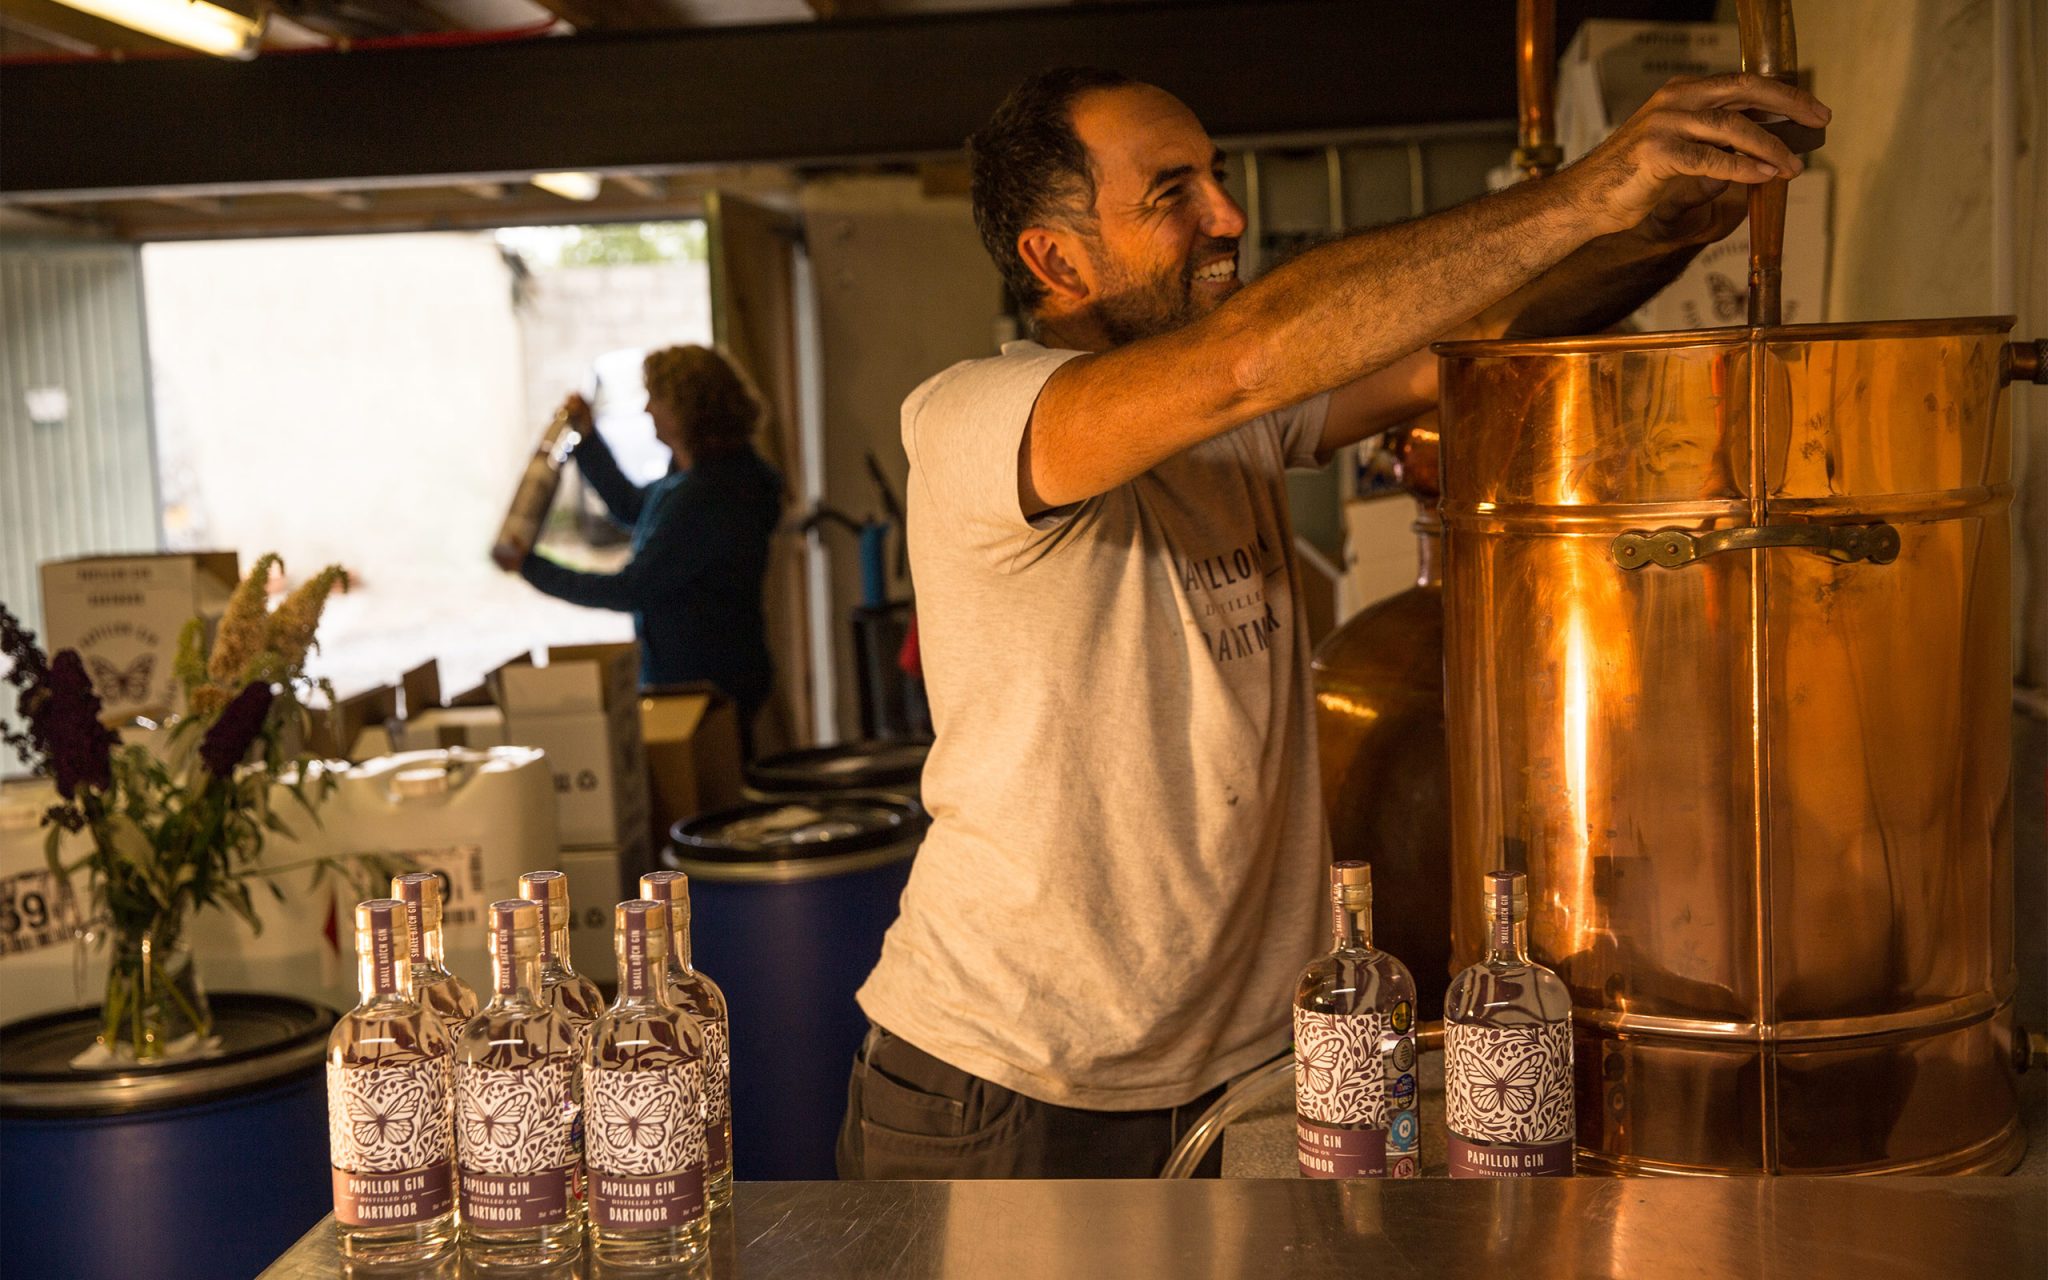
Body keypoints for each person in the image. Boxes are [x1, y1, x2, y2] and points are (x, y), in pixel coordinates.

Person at [838, 67, 1829, 1179]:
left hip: (1246, 1063)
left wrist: (1663, 230)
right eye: (1173, 192)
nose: (1226, 213)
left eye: (1215, 177)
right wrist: (1591, 188)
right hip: (1010, 1079)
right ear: (1054, 260)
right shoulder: (979, 414)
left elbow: (1455, 346)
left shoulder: (1241, 426)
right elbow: (1246, 356)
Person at [520, 344, 783, 745]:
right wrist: (587, 441)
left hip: (705, 686)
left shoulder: (709, 496)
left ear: (686, 408)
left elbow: (631, 588)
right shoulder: (705, 476)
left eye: (655, 397)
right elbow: (633, 506)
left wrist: (533, 568)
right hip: (711, 677)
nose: (646, 410)